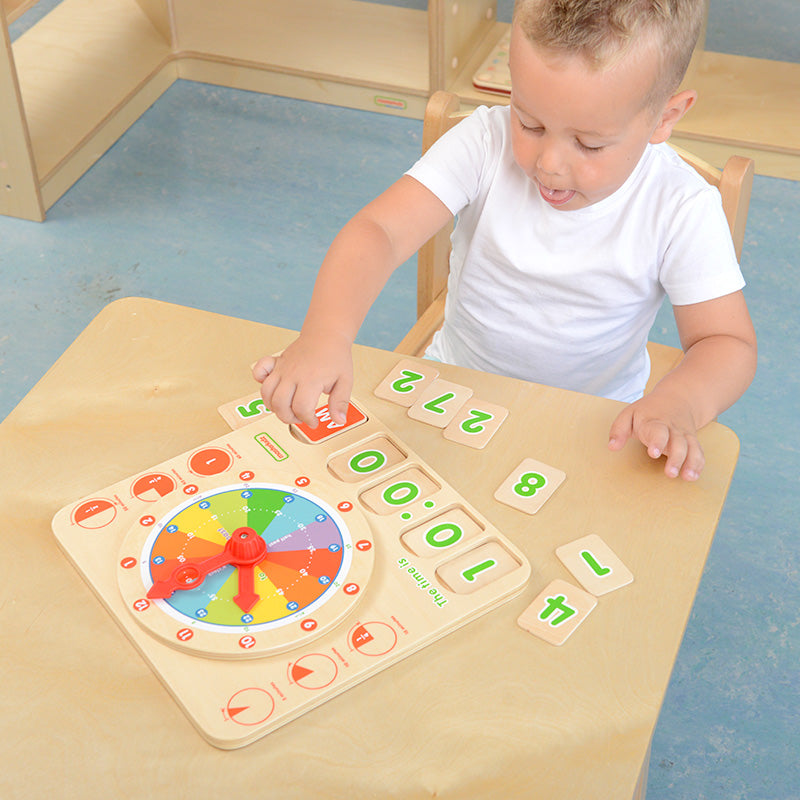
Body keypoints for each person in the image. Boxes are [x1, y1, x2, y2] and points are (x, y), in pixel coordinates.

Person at [253, 0, 756, 482]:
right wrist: (326, 335)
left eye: (590, 143)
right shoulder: (483, 142)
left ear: (665, 117)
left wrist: (681, 403)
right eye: (529, 121)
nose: (549, 163)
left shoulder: (681, 206)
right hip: (452, 387)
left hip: (596, 423)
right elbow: (379, 231)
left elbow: (725, 342)